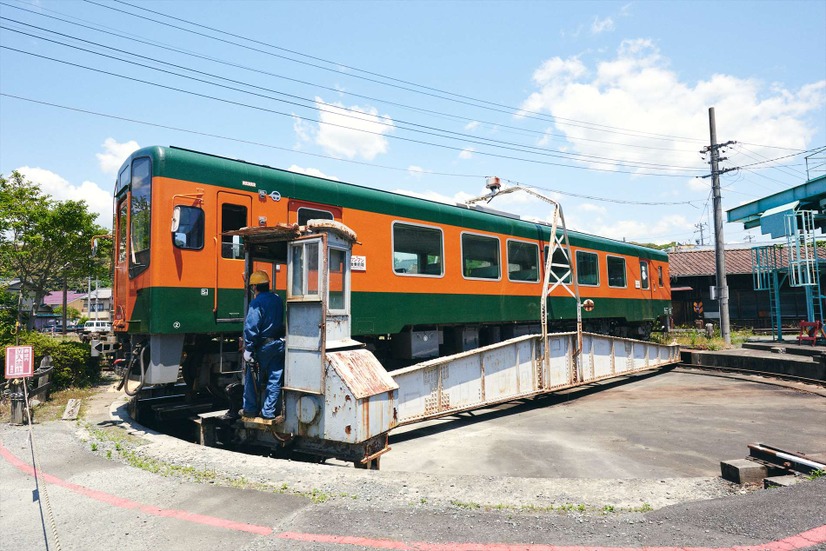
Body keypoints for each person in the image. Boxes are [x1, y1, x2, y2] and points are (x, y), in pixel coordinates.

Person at [241, 270, 285, 419]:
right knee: (275, 379)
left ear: (255, 287)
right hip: (278, 344)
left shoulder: (257, 303)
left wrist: (248, 348)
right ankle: (268, 412)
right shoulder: (277, 299)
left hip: (263, 347)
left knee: (252, 378)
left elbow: (251, 327)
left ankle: (250, 409)